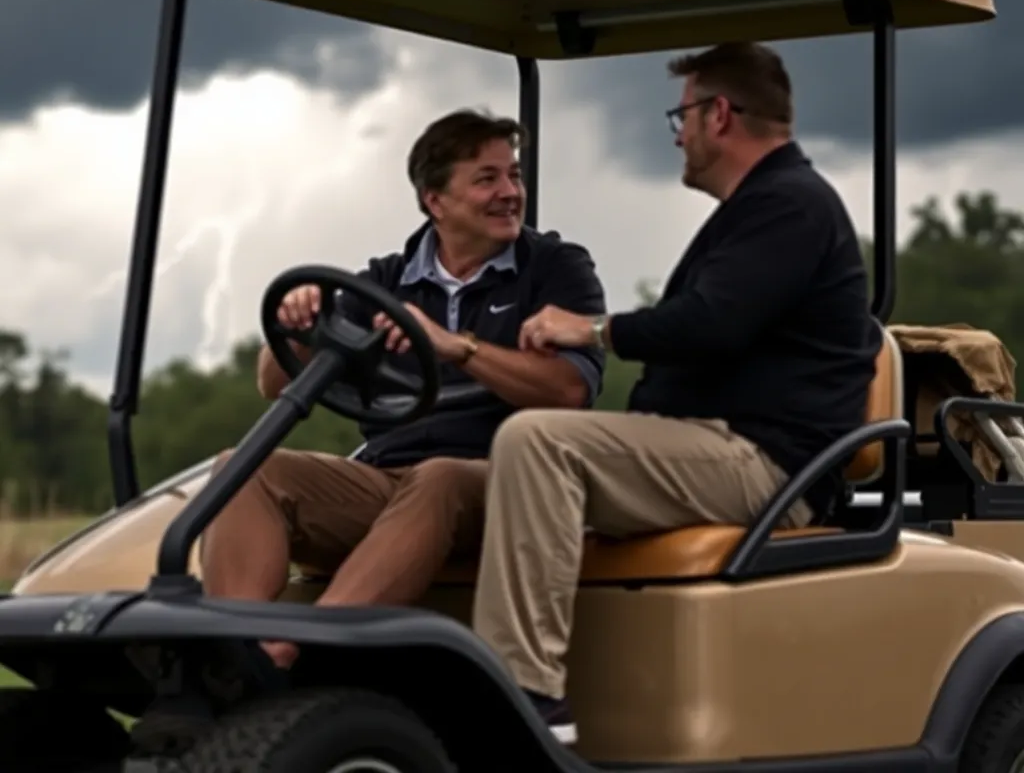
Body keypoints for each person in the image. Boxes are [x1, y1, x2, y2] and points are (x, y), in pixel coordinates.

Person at [470, 42, 882, 744]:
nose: (679, 135)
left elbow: (710, 324)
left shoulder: (790, 205)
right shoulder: (761, 209)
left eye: (682, 116)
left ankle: (526, 698)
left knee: (537, 440)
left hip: (768, 464)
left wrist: (590, 329)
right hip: (724, 448)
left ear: (719, 114)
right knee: (481, 475)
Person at [200, 108, 607, 670]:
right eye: (487, 179)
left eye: (513, 176)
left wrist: (457, 346)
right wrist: (299, 330)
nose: (510, 192)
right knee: (242, 468)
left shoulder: (556, 268)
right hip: (393, 478)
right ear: (434, 201)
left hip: (510, 478)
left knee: (438, 477)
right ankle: (235, 654)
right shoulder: (385, 282)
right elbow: (274, 384)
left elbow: (567, 391)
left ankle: (305, 652)